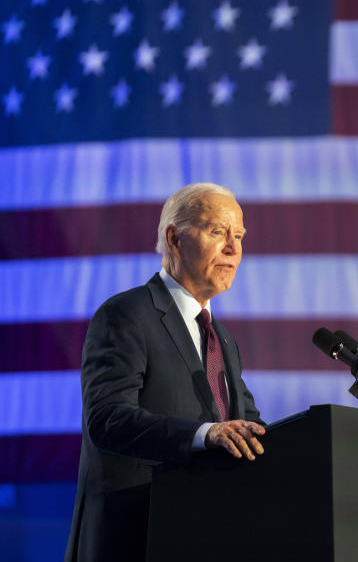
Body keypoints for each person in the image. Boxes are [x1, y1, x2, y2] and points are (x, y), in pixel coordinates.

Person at [65, 183, 266, 562]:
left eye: (238, 236)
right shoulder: (127, 315)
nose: (233, 248)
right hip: (134, 539)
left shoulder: (222, 339)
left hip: (204, 539)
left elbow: (246, 428)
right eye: (217, 232)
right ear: (174, 239)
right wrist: (205, 435)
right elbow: (107, 419)